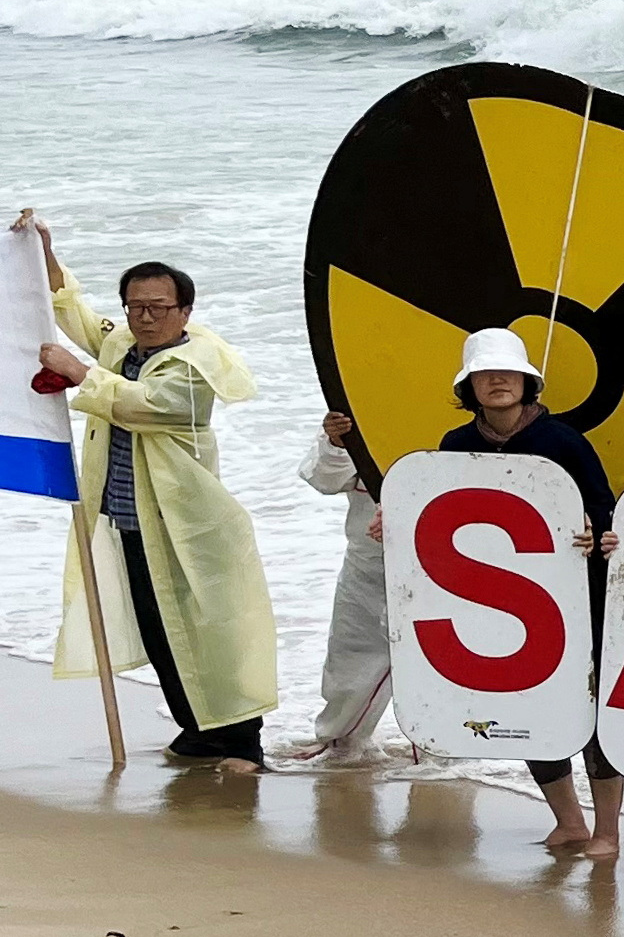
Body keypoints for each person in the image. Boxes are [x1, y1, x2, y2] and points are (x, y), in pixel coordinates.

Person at [21, 216, 276, 769]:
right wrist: (43, 252)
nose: (146, 316)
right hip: (132, 519)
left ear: (185, 311)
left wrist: (78, 374)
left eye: (160, 307)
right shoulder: (123, 344)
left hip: (190, 524)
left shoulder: (193, 368)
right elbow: (77, 316)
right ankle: (199, 731)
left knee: (214, 635)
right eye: (137, 306)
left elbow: (141, 405)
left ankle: (243, 742)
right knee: (163, 635)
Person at [433, 331, 623, 857]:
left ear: (527, 381)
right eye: (485, 374)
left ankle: (608, 830)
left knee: (590, 710)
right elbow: (440, 515)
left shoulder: (564, 442)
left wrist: (598, 531)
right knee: (529, 710)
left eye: (508, 373)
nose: (497, 381)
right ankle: (569, 823)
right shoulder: (454, 445)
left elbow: (606, 510)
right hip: (495, 600)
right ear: (468, 385)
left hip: (577, 596)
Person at [294, 408, 391, 762]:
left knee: (443, 665)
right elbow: (325, 480)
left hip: (452, 559)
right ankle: (339, 744)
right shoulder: (361, 404)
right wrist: (336, 441)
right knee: (350, 652)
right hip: (369, 558)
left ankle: (442, 759)